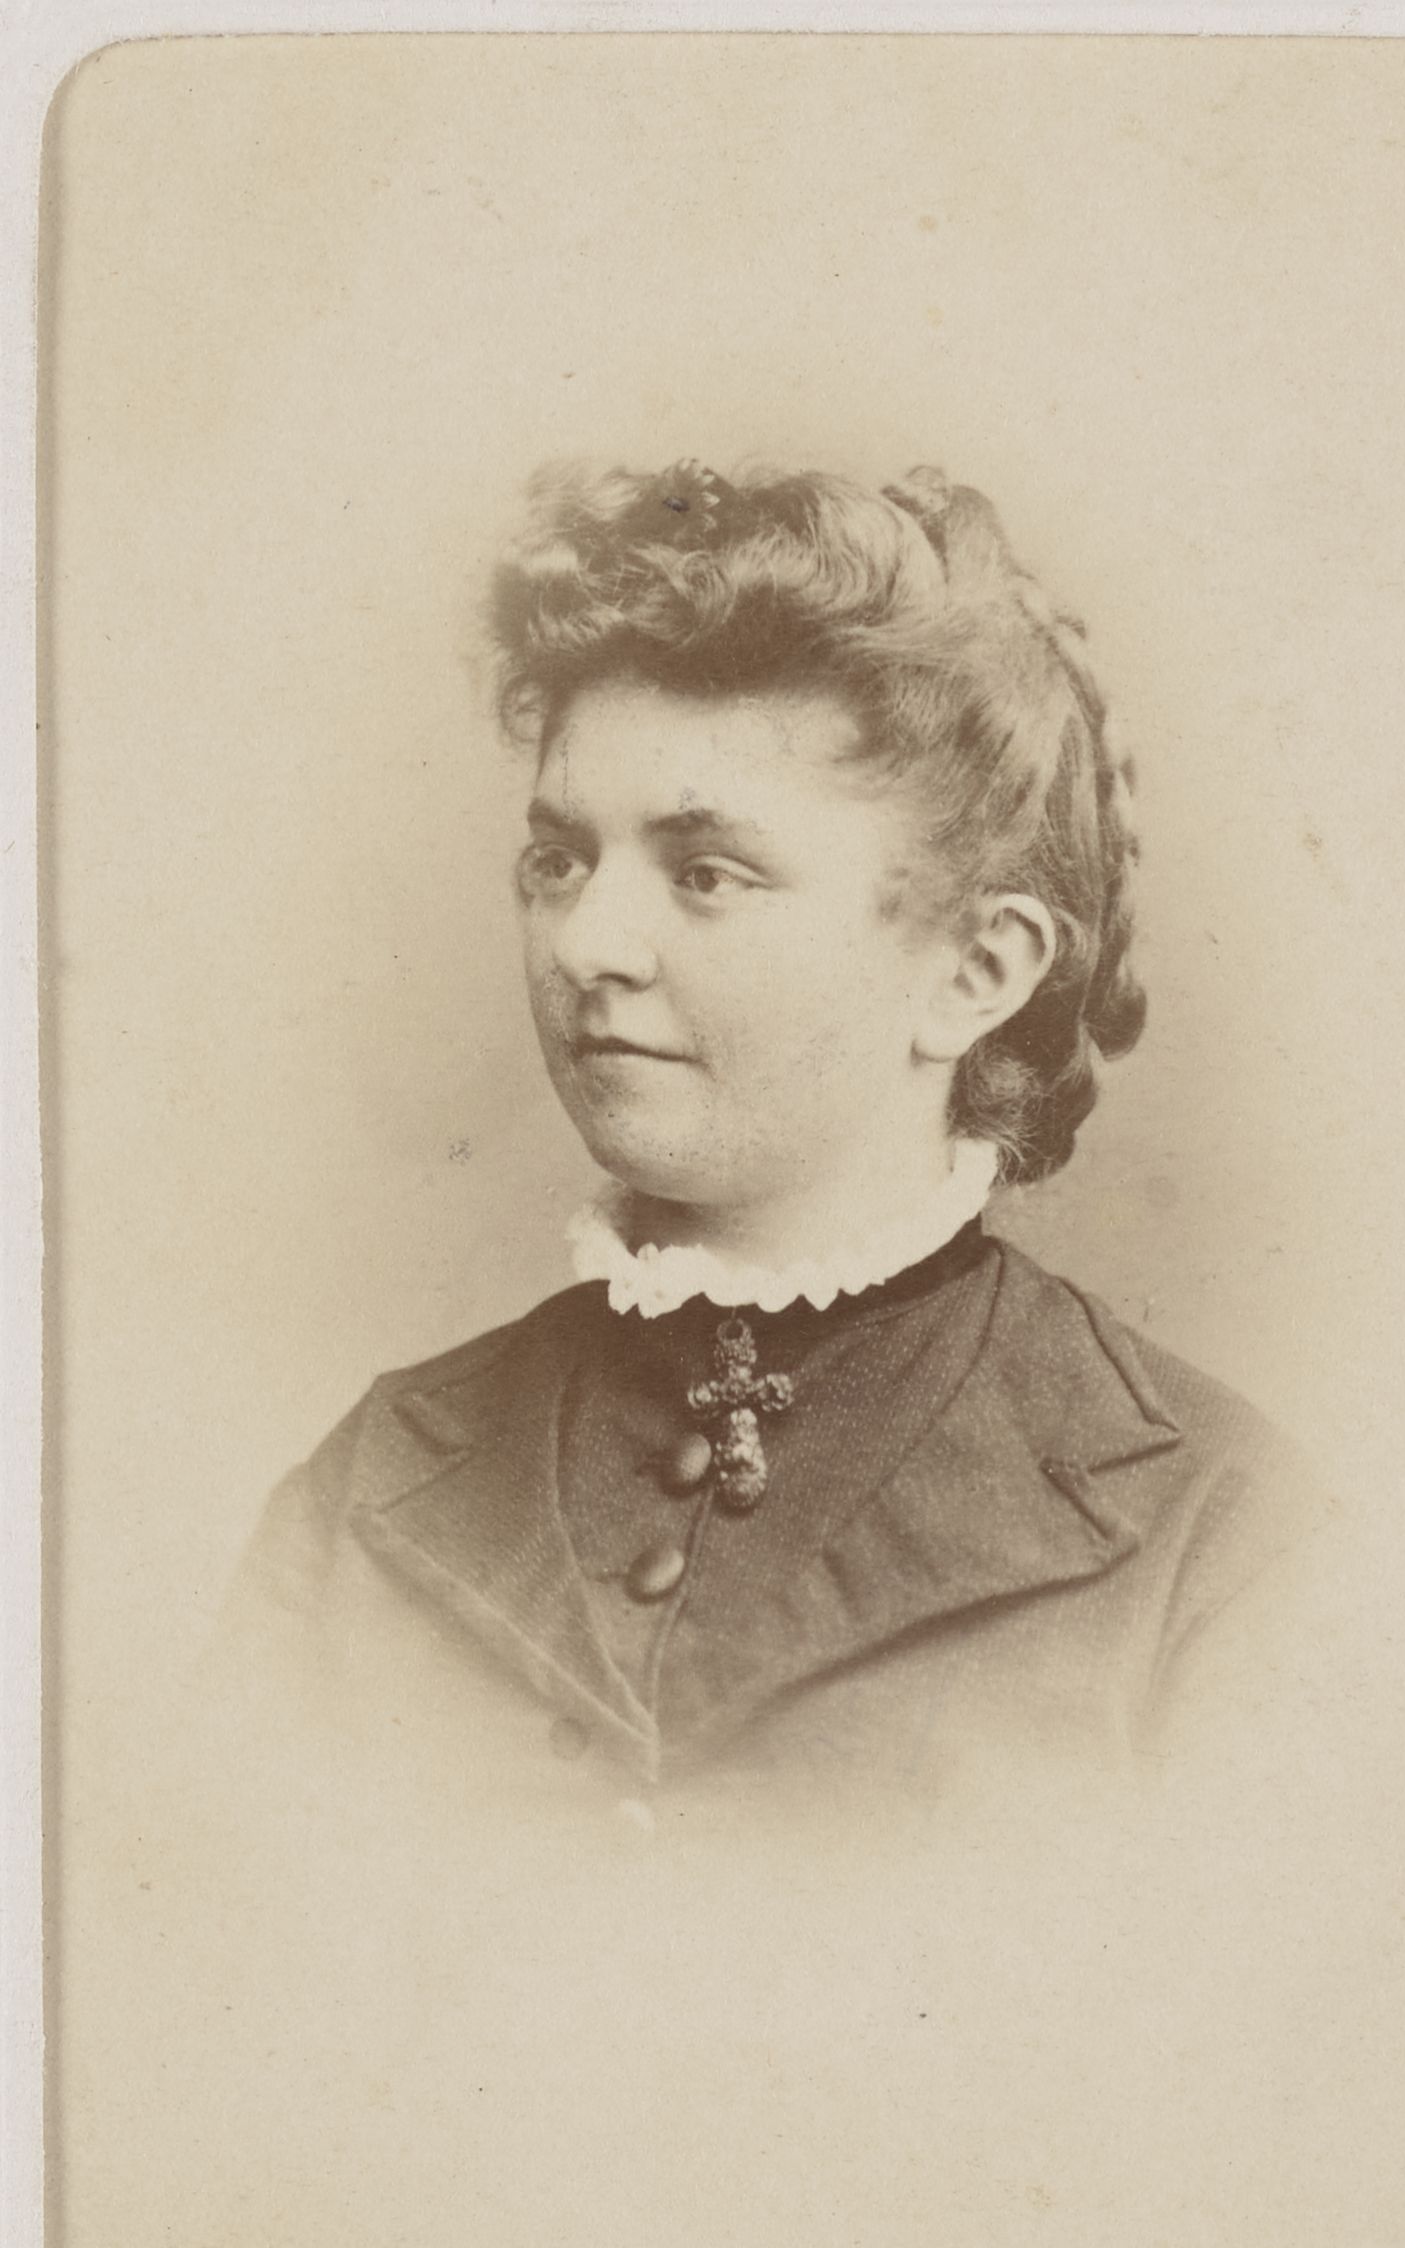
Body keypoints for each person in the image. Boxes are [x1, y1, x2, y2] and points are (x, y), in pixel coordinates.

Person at [225, 457, 1321, 1811]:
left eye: (706, 873)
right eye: (559, 859)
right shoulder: (373, 1486)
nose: (586, 941)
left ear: (975, 969)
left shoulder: (1219, 1543)